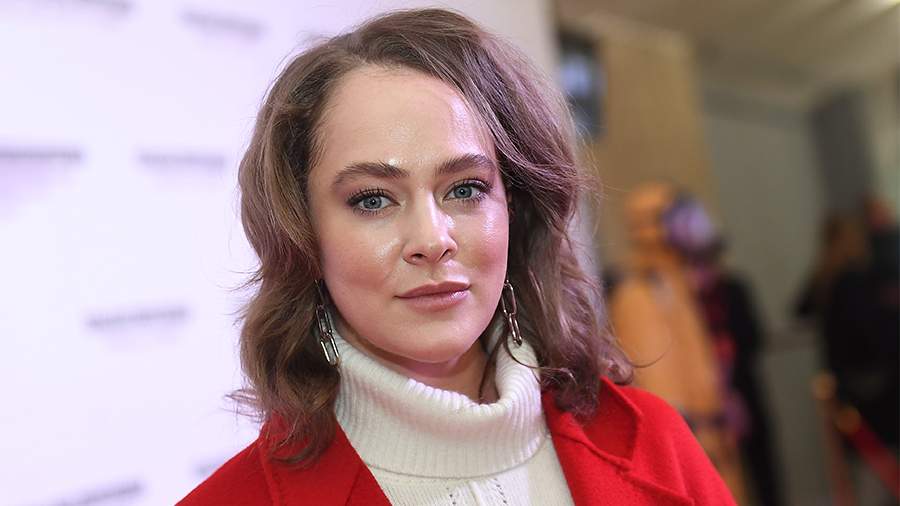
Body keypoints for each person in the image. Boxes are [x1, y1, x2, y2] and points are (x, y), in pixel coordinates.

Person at [179, 8, 735, 505]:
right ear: (302, 233)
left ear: (515, 206)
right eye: (372, 200)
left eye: (465, 189)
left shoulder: (657, 441)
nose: (432, 237)